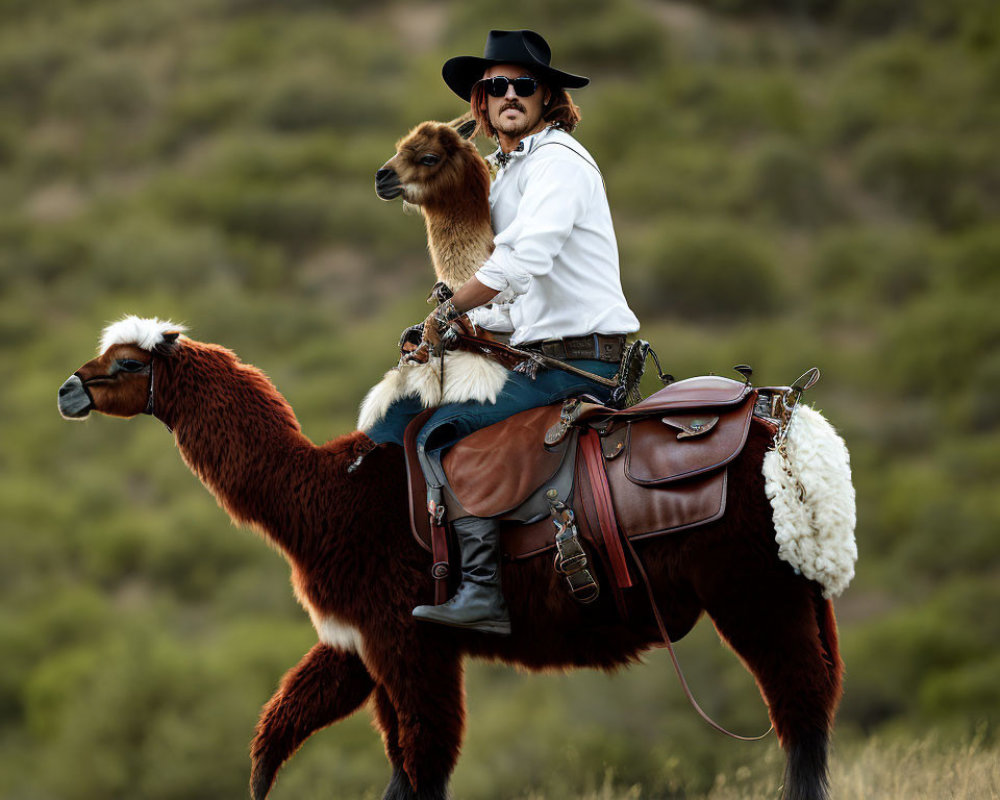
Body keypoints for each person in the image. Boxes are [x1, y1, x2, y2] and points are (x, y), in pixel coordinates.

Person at [366, 29, 640, 635]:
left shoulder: (558, 165)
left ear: (547, 97)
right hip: (538, 356)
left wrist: (448, 311)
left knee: (438, 427)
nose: (509, 94)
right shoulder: (511, 174)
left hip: (578, 365)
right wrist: (456, 325)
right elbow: (517, 305)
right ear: (480, 104)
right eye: (496, 86)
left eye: (524, 85)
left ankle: (483, 590)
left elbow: (522, 262)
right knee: (395, 413)